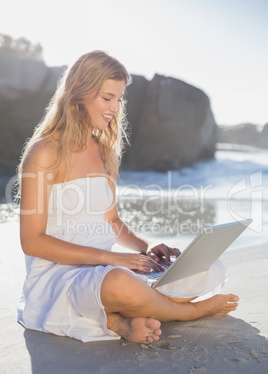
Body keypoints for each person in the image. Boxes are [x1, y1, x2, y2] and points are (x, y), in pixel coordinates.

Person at [17, 50, 239, 344]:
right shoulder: (43, 153)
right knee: (121, 283)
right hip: (60, 276)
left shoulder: (104, 152)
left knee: (205, 265)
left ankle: (119, 319)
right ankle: (189, 312)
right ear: (79, 92)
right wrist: (110, 258)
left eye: (119, 99)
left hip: (107, 267)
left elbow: (111, 219)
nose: (115, 108)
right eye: (107, 98)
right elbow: (32, 241)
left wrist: (145, 250)